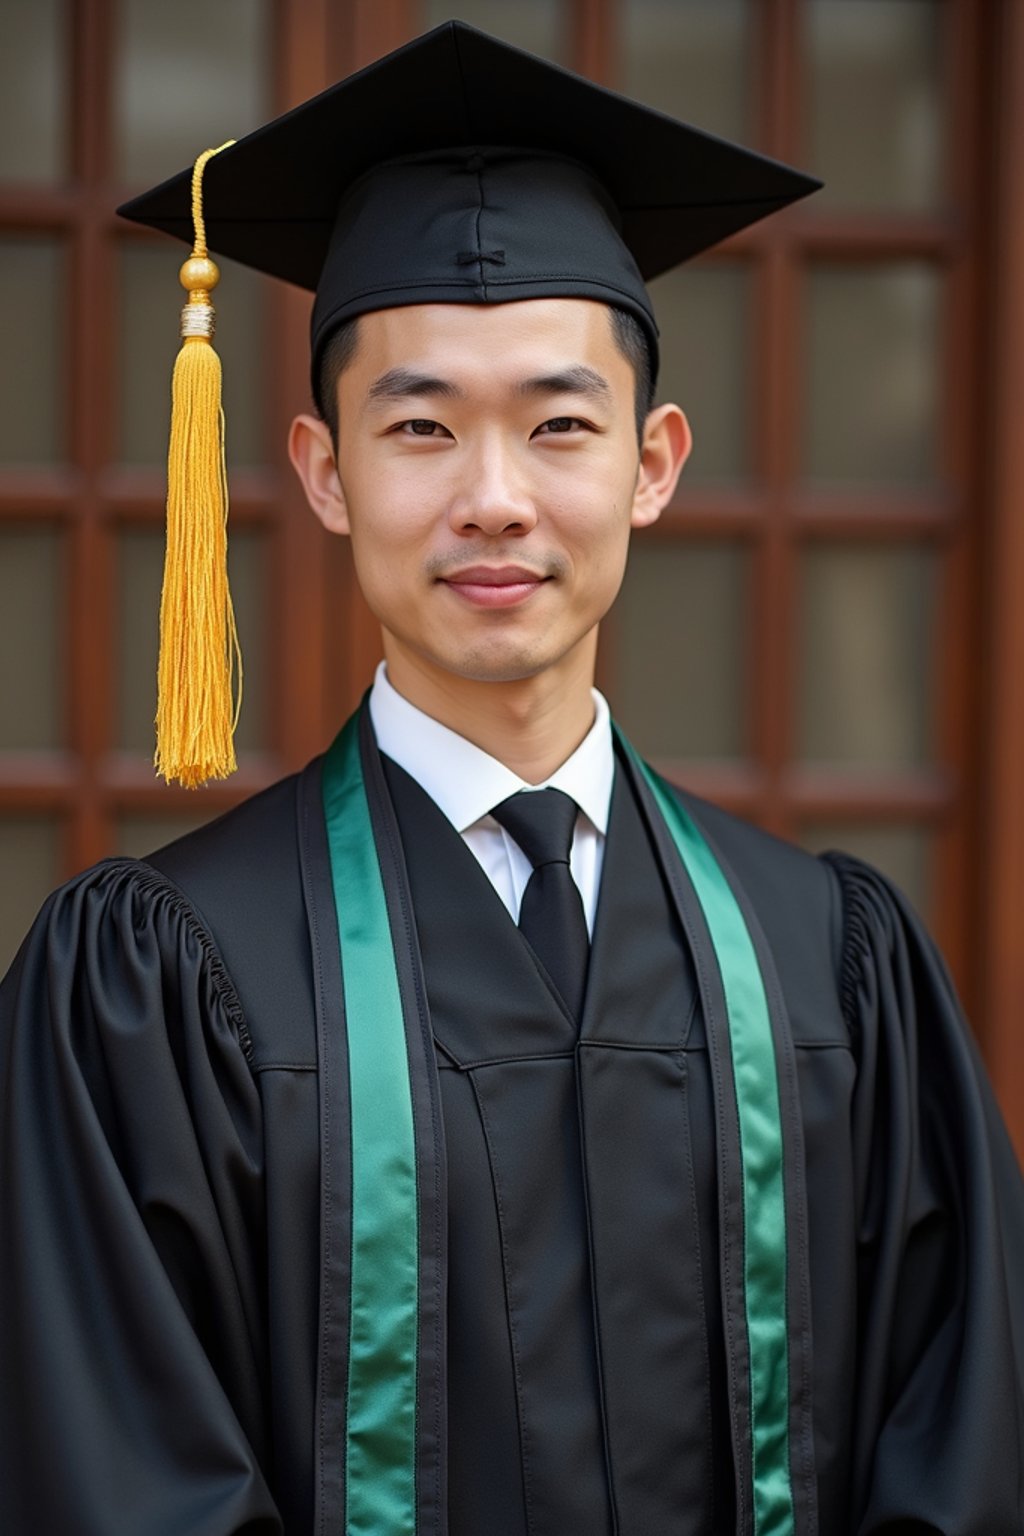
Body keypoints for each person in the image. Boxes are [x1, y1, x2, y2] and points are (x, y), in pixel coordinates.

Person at [1, 21, 1022, 1536]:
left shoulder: (832, 967)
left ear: (654, 464)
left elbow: (960, 1454)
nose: (493, 498)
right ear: (326, 471)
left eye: (559, 425)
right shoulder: (153, 988)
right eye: (420, 428)